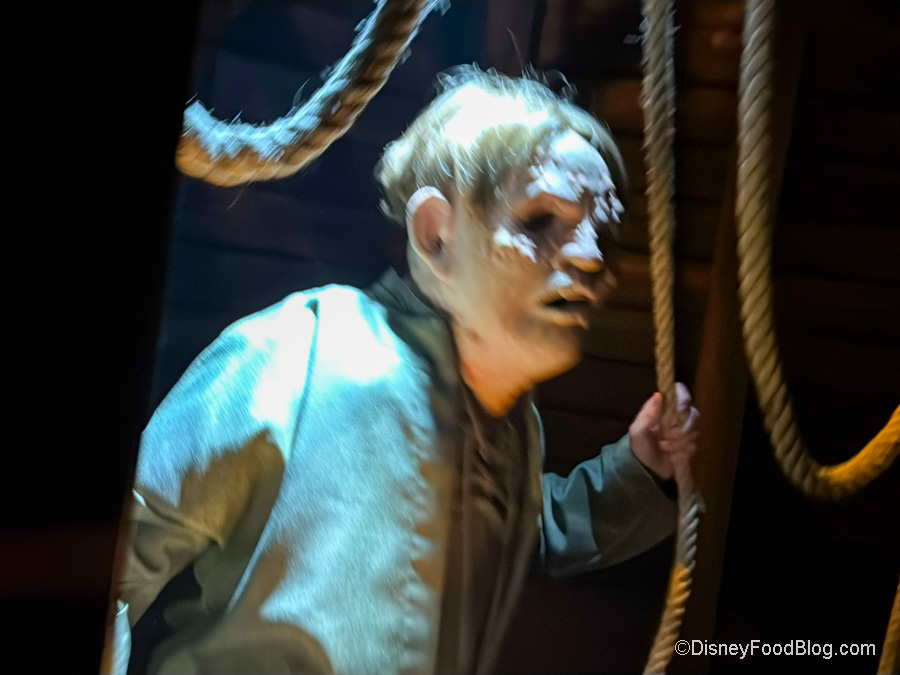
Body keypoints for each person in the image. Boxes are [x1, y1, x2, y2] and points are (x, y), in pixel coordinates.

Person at [106, 66, 699, 675]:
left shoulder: (512, 426)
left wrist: (637, 470)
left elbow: (512, 535)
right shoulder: (299, 355)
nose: (593, 259)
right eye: (540, 220)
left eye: (605, 232)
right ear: (436, 235)